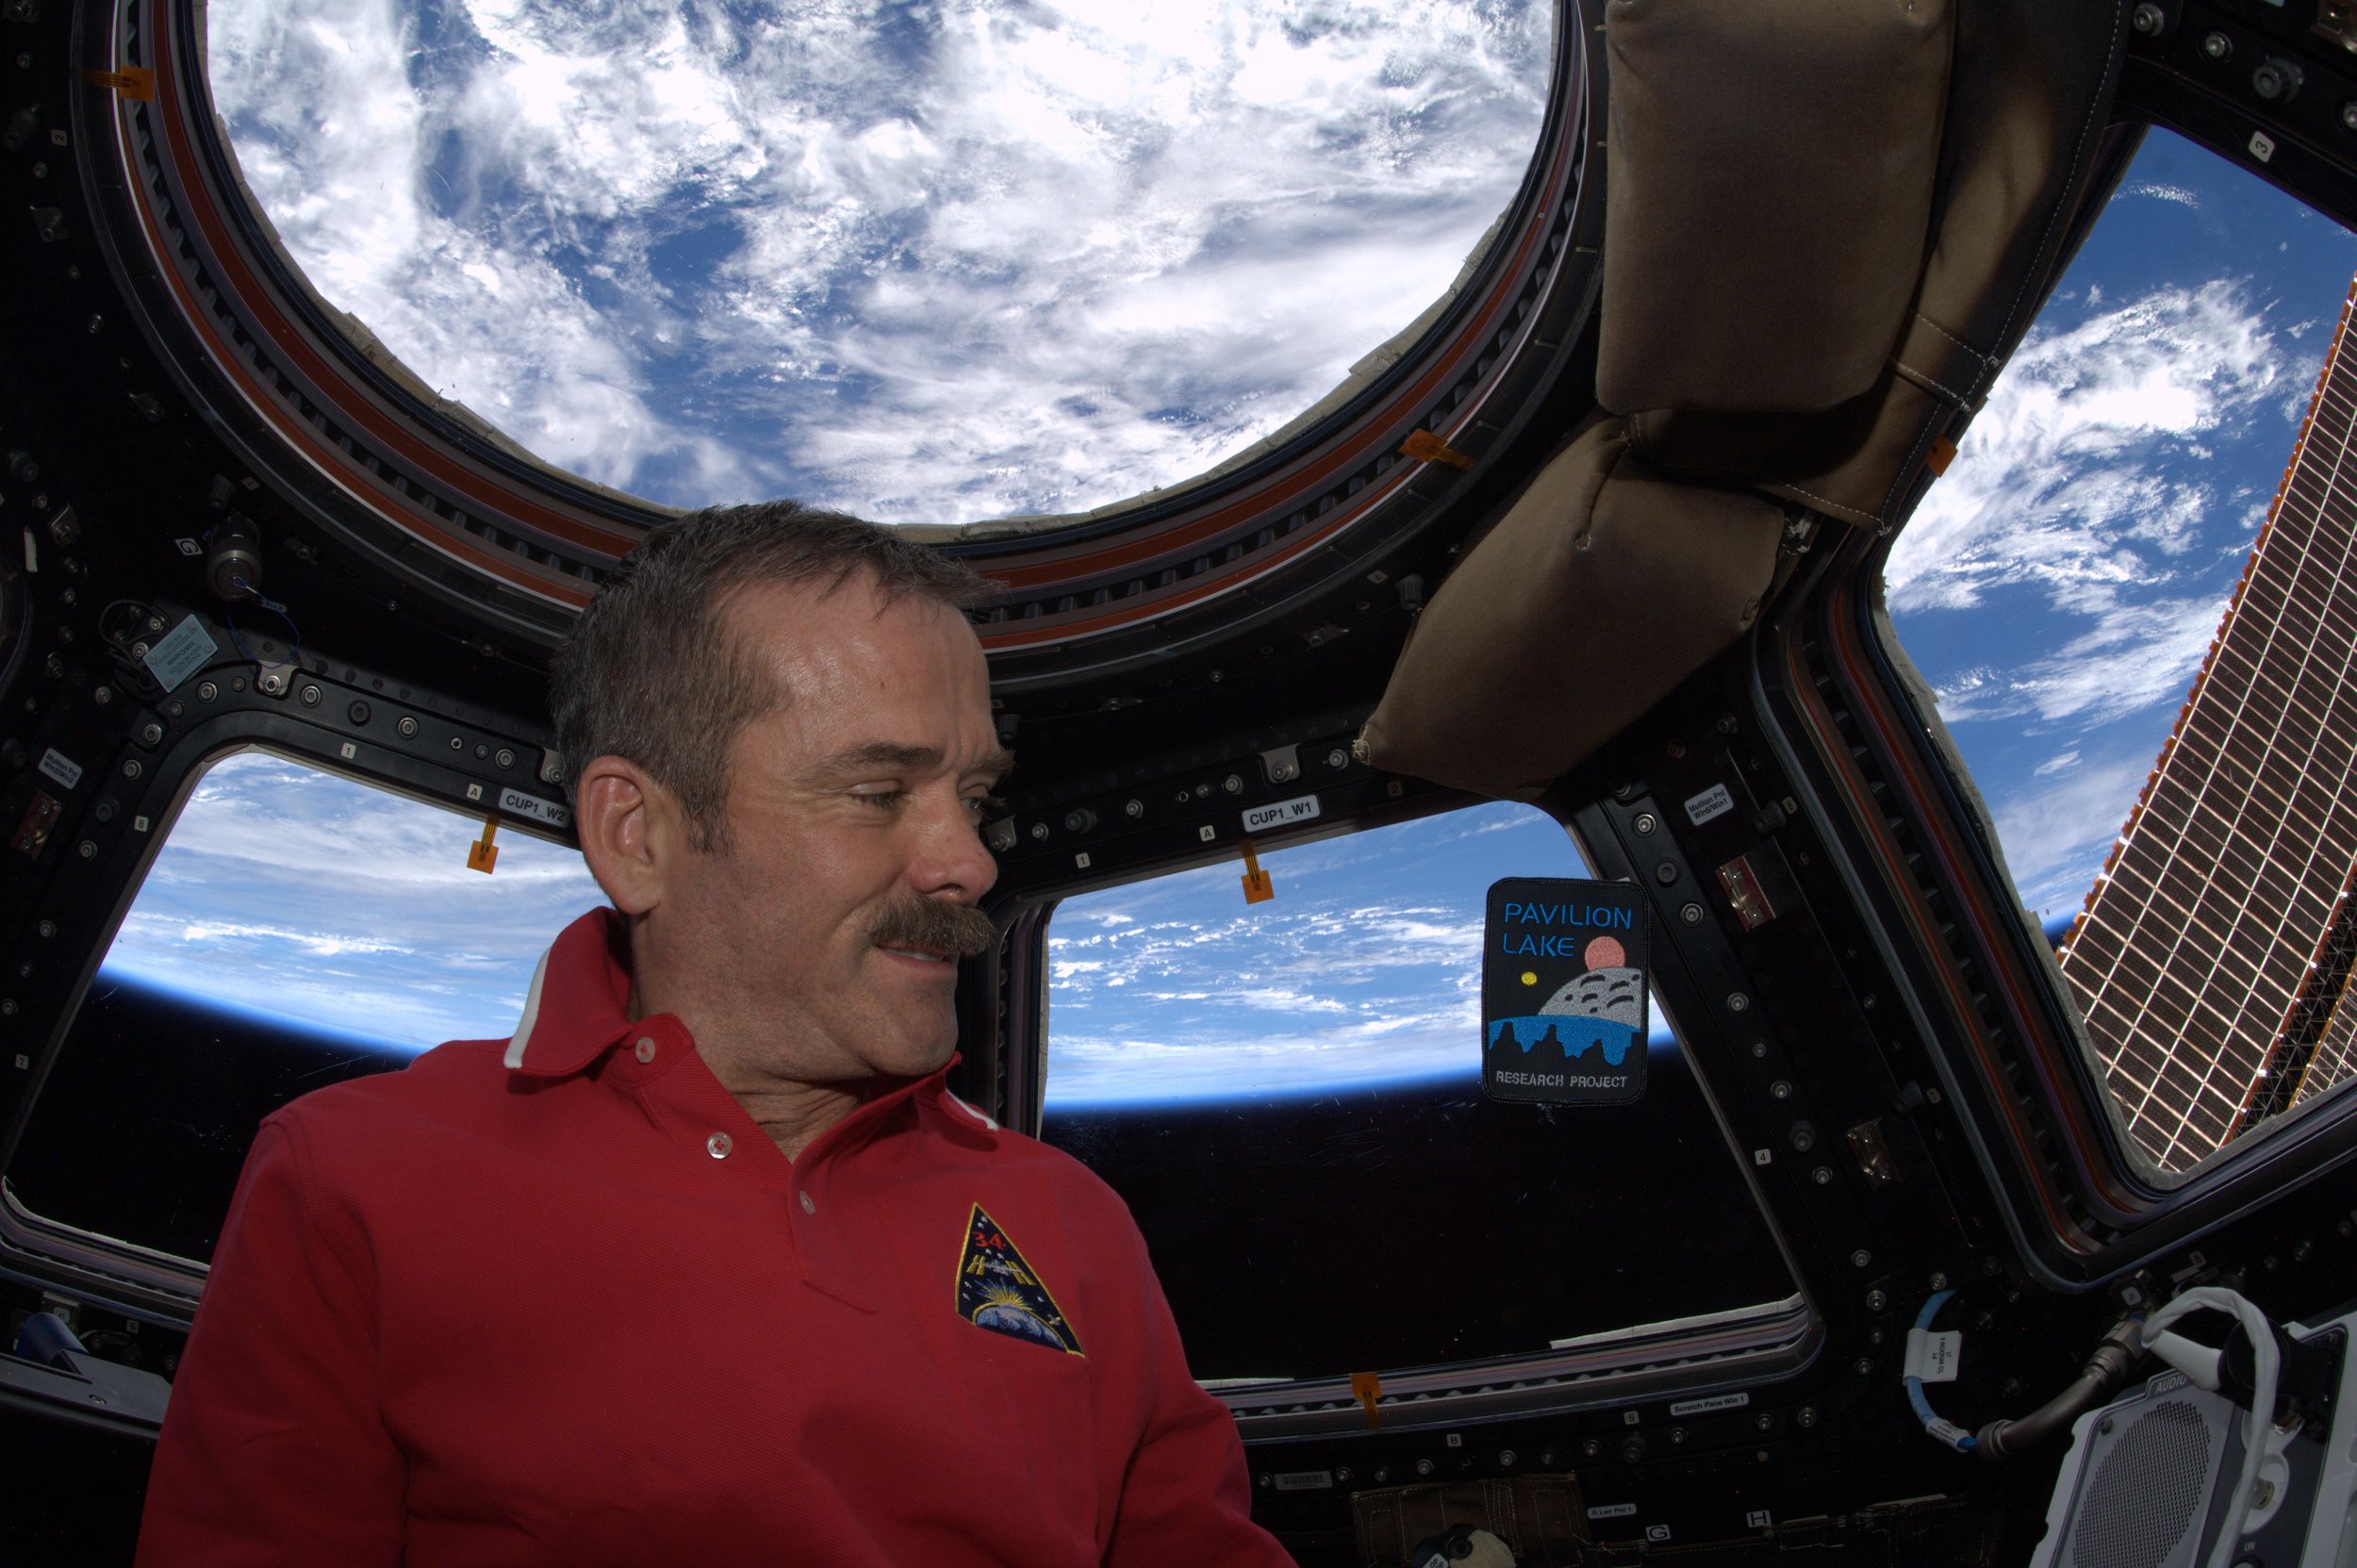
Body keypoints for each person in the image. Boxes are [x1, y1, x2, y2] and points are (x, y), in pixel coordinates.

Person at [137, 503, 1294, 1566]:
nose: (971, 863)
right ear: (637, 834)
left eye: (975, 798)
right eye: (878, 792)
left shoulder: (1073, 1225)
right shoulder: (354, 1182)